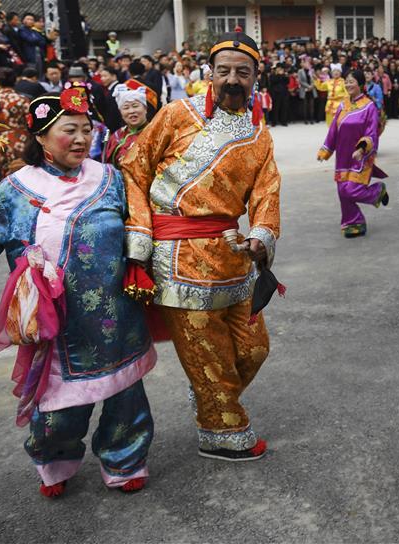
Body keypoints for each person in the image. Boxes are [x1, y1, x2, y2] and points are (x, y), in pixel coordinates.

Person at [0, 89, 156, 498]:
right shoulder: (16, 189)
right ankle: (54, 460)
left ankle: (125, 458)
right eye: (68, 130)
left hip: (118, 318)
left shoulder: (111, 178)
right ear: (39, 137)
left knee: (126, 396)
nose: (80, 139)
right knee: (59, 407)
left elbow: (143, 226)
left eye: (86, 130)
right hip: (58, 323)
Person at [122, 29, 280, 461]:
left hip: (233, 255)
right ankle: (220, 430)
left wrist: (261, 236)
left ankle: (211, 396)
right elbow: (133, 170)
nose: (233, 79)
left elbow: (267, 194)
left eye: (242, 72)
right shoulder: (176, 114)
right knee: (207, 353)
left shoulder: (258, 136)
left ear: (255, 78)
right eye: (224, 70)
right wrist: (139, 239)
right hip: (177, 257)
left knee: (254, 348)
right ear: (209, 73)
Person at [317, 70, 389, 238]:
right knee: (342, 191)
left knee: (351, 189)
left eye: (352, 81)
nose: (348, 84)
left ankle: (376, 192)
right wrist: (326, 149)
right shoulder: (342, 105)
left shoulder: (369, 106)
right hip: (342, 155)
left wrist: (362, 148)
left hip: (360, 156)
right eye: (347, 81)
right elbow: (334, 129)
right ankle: (353, 222)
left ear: (361, 84)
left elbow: (372, 132)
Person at [0, 67, 31, 189]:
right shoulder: (23, 100)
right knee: (22, 176)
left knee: (0, 181)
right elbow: (30, 124)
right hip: (21, 142)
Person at [103, 81, 156, 166]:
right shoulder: (116, 136)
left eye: (135, 106)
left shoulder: (156, 134)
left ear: (145, 109)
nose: (131, 111)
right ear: (121, 112)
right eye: (126, 108)